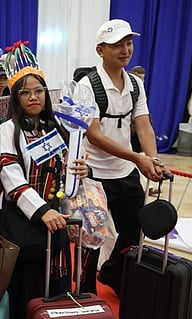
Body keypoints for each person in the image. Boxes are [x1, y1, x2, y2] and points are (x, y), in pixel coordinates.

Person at [0, 41, 89, 318]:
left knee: (56, 286)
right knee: (27, 289)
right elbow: (11, 178)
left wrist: (80, 171)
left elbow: (65, 170)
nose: (34, 97)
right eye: (26, 93)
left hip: (56, 218)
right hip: (23, 221)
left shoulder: (56, 128)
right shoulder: (8, 130)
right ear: (16, 97)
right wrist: (42, 211)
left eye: (39, 91)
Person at [78, 19, 165, 296]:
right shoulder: (87, 85)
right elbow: (93, 135)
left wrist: (153, 158)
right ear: (100, 50)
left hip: (125, 172)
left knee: (133, 231)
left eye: (128, 43)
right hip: (92, 172)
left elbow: (143, 125)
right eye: (117, 44)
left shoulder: (136, 85)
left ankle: (114, 273)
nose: (125, 49)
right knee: (91, 237)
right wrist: (138, 158)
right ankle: (85, 289)